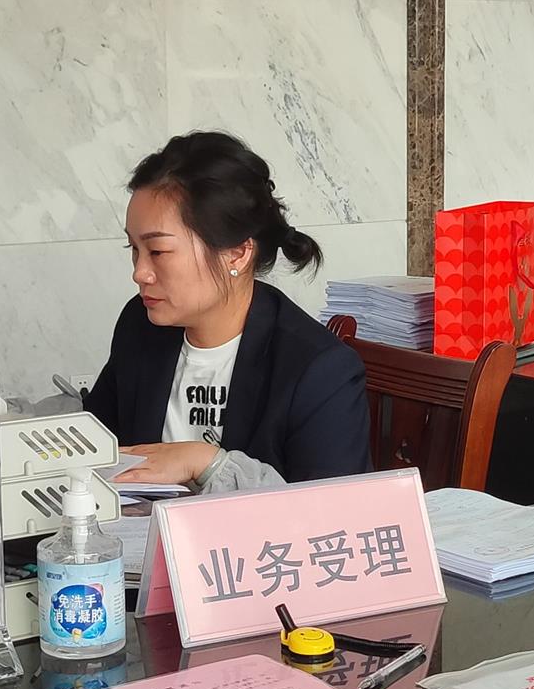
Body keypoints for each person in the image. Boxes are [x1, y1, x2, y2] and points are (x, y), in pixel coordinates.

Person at [84, 131, 370, 489]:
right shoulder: (140, 325)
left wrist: (206, 463)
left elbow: (335, 511)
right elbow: (96, 446)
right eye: (134, 249)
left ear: (237, 253)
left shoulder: (318, 370)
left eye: (157, 251)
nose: (139, 273)